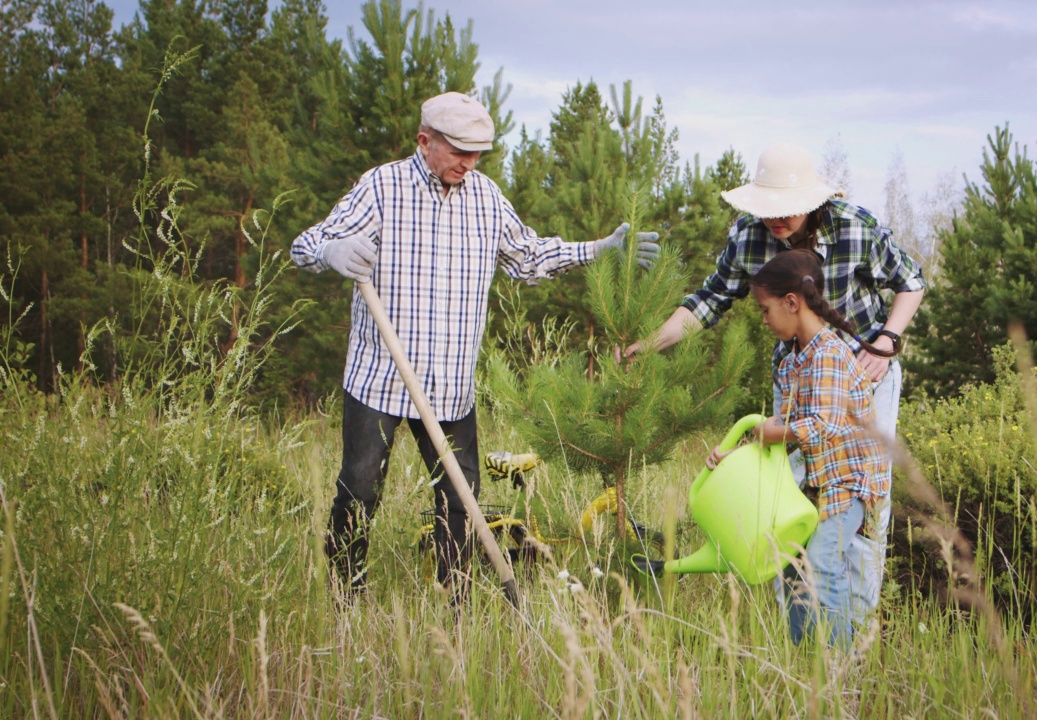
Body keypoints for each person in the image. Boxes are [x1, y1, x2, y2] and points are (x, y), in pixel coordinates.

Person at [291, 91, 659, 602]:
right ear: (425, 142)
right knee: (360, 489)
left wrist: (597, 251)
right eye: (458, 150)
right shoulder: (381, 188)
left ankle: (455, 601)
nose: (469, 162)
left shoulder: (486, 198)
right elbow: (305, 245)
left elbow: (529, 257)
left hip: (450, 387)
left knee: (460, 500)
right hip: (380, 379)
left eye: (477, 152)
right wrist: (331, 250)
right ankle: (344, 598)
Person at [625, 141, 925, 596]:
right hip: (797, 376)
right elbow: (709, 300)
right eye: (767, 208)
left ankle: (855, 625)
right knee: (788, 490)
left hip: (865, 375)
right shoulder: (749, 237)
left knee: (861, 501)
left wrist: (885, 344)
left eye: (786, 207)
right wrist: (648, 345)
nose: (775, 218)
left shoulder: (853, 227)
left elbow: (912, 282)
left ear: (810, 200)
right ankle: (800, 609)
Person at [706, 250, 889, 647]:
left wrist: (773, 433)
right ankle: (807, 656)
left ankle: (841, 666)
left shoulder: (828, 355)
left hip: (848, 484)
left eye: (765, 309)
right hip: (817, 487)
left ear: (792, 302)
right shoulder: (793, 363)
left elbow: (821, 427)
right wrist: (733, 458)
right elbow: (782, 434)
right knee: (791, 565)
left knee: (822, 564)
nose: (764, 319)